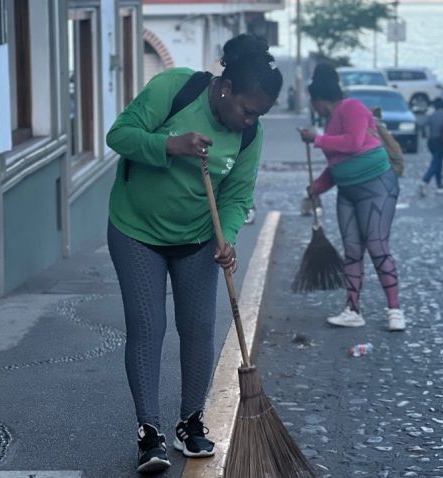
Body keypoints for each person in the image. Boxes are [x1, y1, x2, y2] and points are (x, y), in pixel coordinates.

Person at [105, 34, 281, 474]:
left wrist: (228, 238)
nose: (250, 120)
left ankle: (191, 421)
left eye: (258, 115)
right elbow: (119, 135)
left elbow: (237, 195)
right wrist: (171, 145)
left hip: (199, 237)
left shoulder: (249, 134)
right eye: (247, 110)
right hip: (136, 230)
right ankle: (149, 433)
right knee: (148, 327)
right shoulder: (175, 88)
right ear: (226, 89)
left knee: (199, 328)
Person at [297, 63, 405, 332]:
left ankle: (395, 311)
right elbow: (337, 166)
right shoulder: (330, 122)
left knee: (377, 246)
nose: (314, 108)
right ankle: (353, 310)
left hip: (377, 186)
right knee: (353, 251)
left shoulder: (352, 107)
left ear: (320, 99)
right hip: (347, 192)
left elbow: (354, 143)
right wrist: (316, 187)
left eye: (314, 103)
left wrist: (317, 139)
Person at [419, 97, 443, 196]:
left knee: (438, 162)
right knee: (436, 162)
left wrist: (424, 135)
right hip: (442, 142)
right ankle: (425, 181)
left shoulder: (432, 116)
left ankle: (439, 185)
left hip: (431, 142)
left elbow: (422, 125)